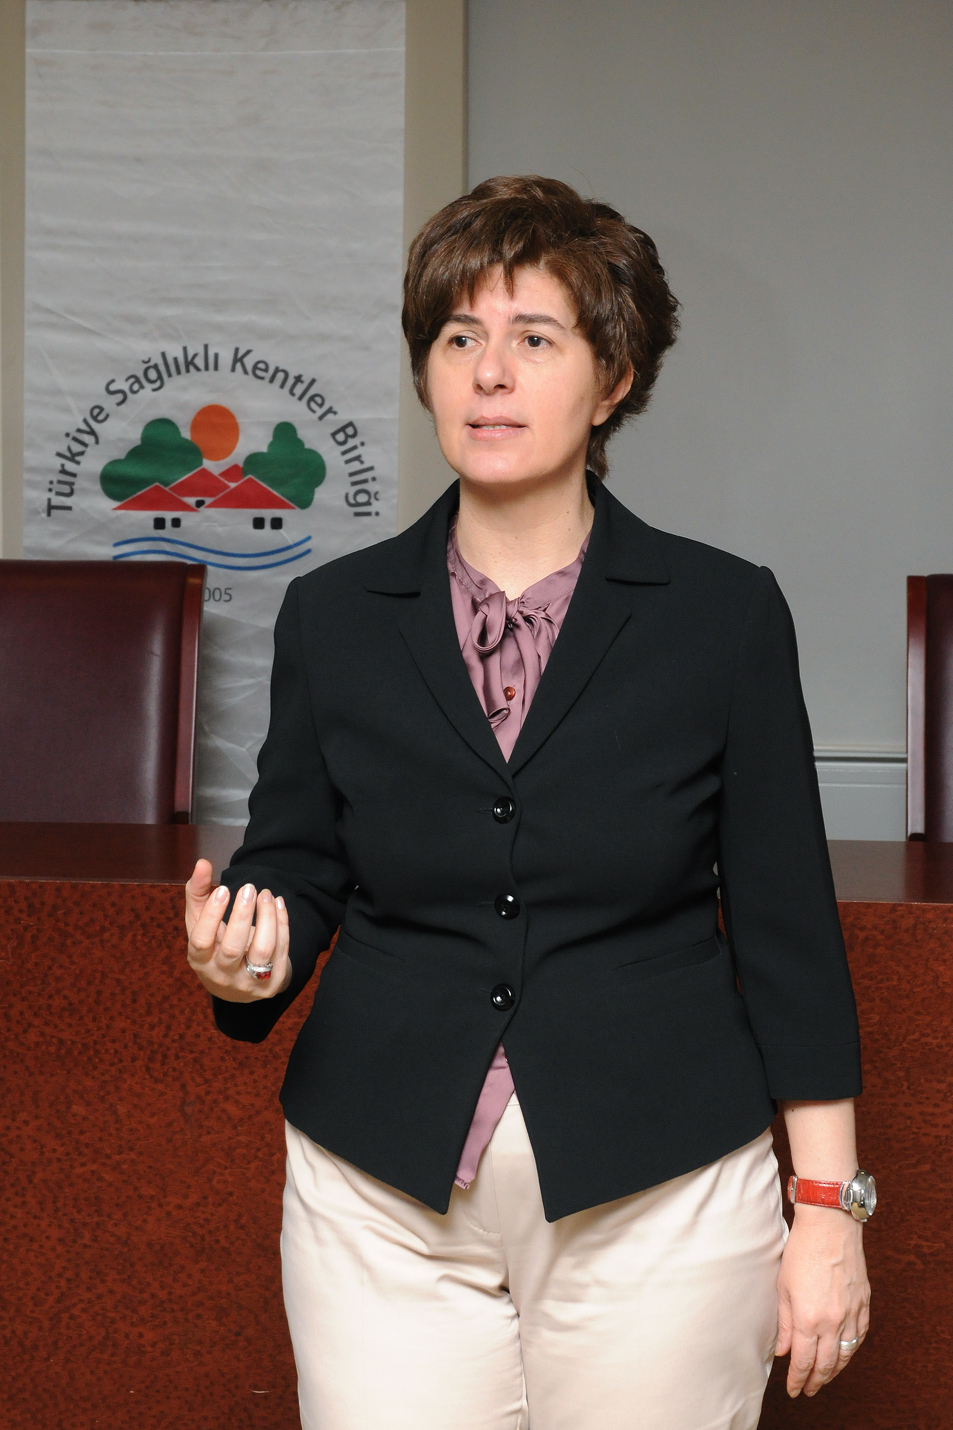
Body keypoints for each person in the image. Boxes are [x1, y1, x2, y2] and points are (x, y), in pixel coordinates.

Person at [185, 175, 872, 1430]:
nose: (488, 373)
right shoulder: (334, 614)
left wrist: (827, 1209)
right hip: (377, 1192)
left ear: (612, 380)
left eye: (533, 339)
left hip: (659, 1186)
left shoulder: (721, 615)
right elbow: (297, 861)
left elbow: (787, 934)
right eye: (458, 337)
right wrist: (249, 950)